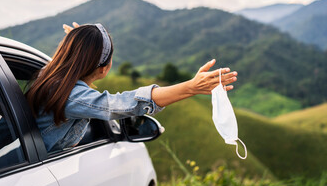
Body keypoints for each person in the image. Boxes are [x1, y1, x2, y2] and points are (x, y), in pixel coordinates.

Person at [26, 22, 238, 153]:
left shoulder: (47, 76)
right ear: (103, 69)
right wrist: (191, 87)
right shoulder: (72, 96)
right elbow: (119, 104)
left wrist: (78, 46)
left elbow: (68, 60)